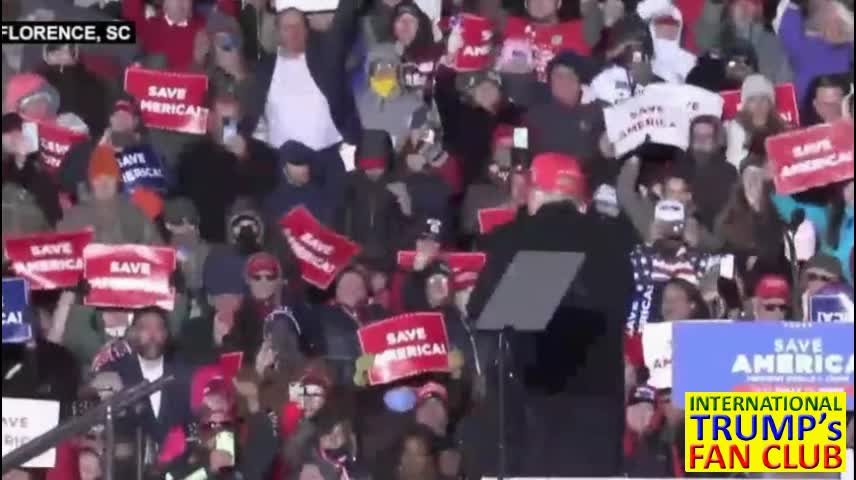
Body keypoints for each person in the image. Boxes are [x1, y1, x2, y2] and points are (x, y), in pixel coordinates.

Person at [468, 152, 633, 476]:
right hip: (597, 424)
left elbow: (482, 312)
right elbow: (624, 303)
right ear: (579, 199)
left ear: (536, 193)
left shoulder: (512, 238)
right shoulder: (614, 240)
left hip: (531, 425)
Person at [242, 1, 361, 149]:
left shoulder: (326, 59)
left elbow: (344, 21)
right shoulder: (264, 69)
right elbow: (252, 115)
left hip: (329, 154)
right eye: (287, 27)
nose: (294, 32)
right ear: (278, 32)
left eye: (298, 26)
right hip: (281, 159)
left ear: (307, 30)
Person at [176, 92, 279, 243]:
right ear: (210, 120)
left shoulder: (260, 152)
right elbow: (183, 196)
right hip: (211, 243)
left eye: (235, 119)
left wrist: (245, 158)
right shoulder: (192, 156)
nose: (231, 124)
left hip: (253, 240)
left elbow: (267, 188)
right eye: (225, 120)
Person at [100, 307, 192, 444]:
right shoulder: (115, 371)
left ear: (166, 334)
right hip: (130, 459)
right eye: (145, 328)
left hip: (180, 460)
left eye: (158, 328)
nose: (152, 334)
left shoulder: (184, 371)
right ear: (132, 334)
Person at [58, 145, 163, 245]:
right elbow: (62, 252)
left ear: (117, 181)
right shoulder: (74, 217)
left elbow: (157, 250)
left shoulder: (135, 214)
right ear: (91, 182)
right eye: (98, 178)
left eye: (109, 178)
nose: (104, 184)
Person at [773, 179, 854, 284]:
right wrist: (772, 184)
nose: (852, 188)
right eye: (847, 183)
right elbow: (793, 210)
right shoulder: (827, 218)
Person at [694, 0, 793, 84]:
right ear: (728, 9)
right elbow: (704, 41)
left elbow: (783, 85)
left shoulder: (772, 45)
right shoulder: (717, 38)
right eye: (737, 2)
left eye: (752, 2)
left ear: (760, 10)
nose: (743, 6)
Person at [776, 0, 853, 103]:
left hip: (843, 106)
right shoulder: (805, 47)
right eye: (830, 22)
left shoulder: (848, 49)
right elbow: (788, 27)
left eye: (839, 23)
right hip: (810, 108)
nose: (835, 27)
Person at [725, 74, 788, 168]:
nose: (759, 105)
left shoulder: (780, 126)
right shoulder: (736, 127)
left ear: (770, 103)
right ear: (745, 104)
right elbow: (734, 160)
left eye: (763, 99)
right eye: (752, 100)